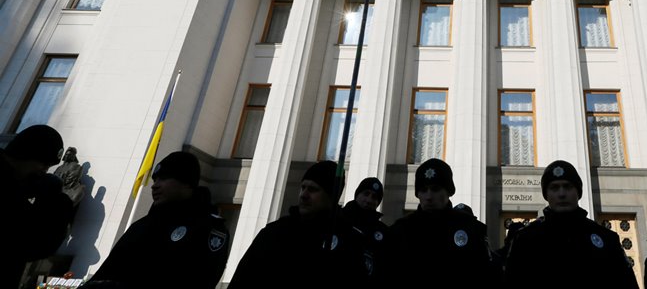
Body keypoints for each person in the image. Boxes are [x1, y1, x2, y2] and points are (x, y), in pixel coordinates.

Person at [84, 151, 229, 289]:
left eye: (164, 178)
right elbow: (107, 271)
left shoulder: (208, 227)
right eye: (155, 179)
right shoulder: (141, 226)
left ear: (186, 182)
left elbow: (197, 281)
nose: (154, 185)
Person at [229, 161, 370, 288]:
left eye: (313, 189)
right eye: (303, 187)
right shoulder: (275, 232)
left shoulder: (349, 240)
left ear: (331, 196)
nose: (304, 194)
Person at [503, 160, 638, 288]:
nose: (561, 194)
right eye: (554, 188)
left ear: (578, 192)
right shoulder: (526, 239)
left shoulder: (607, 238)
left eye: (567, 187)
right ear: (546, 194)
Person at [376, 158, 494, 287]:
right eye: (423, 190)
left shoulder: (471, 229)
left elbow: (485, 278)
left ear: (448, 191)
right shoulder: (400, 231)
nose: (429, 196)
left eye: (435, 189)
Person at [0, 124, 73, 289]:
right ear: (27, 155)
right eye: (44, 164)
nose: (44, 171)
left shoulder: (15, 189)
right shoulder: (9, 192)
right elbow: (32, 244)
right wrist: (57, 205)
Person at [338, 176, 388, 269]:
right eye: (366, 194)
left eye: (374, 197)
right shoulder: (338, 218)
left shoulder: (383, 232)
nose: (369, 200)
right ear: (357, 194)